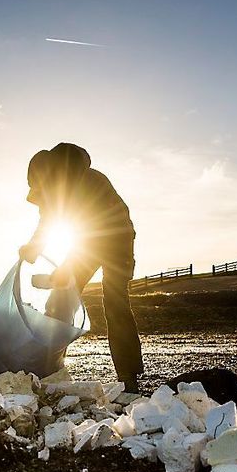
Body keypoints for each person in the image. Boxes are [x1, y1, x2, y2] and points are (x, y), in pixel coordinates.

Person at [19, 142, 143, 393]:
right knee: (59, 300)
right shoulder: (57, 186)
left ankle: (128, 376)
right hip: (88, 242)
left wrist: (65, 267)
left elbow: (90, 230)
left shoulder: (85, 182)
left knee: (116, 302)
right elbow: (48, 222)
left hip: (116, 240)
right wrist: (33, 247)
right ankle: (50, 367)